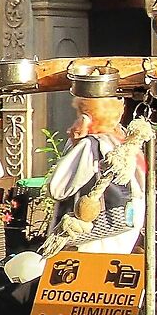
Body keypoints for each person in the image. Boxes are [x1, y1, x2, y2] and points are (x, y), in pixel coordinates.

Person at [45, 93, 146, 254]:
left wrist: (74, 144)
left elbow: (57, 188)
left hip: (96, 234)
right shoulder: (124, 143)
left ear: (87, 114)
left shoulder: (91, 145)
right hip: (126, 225)